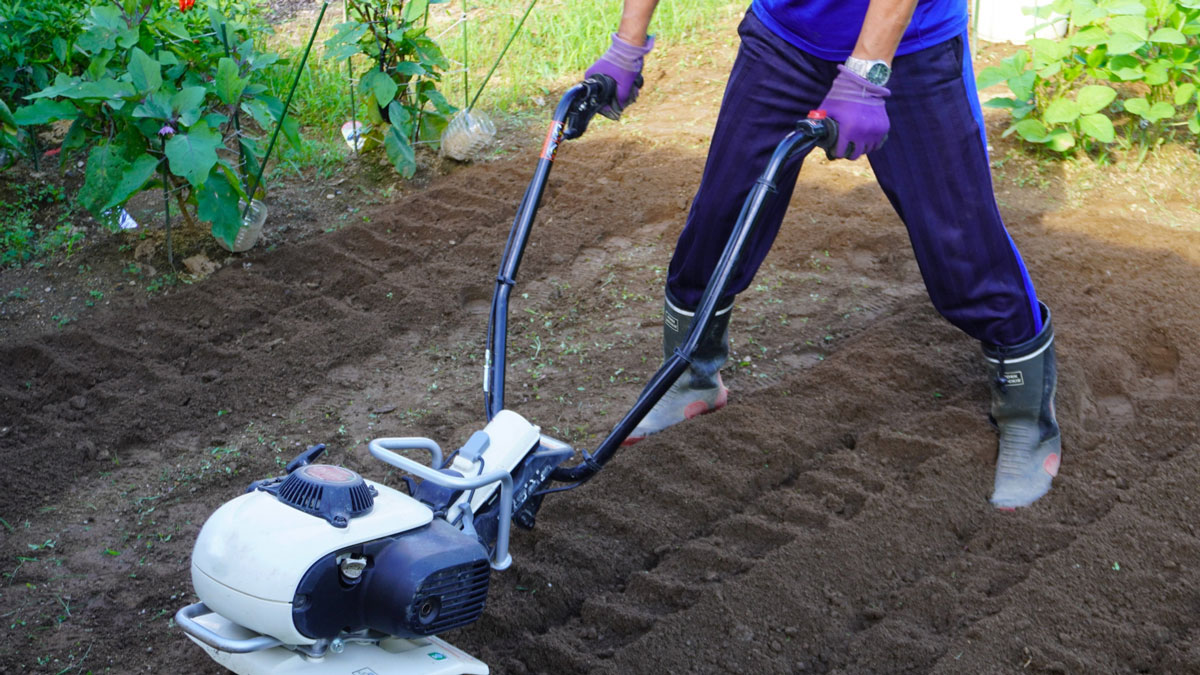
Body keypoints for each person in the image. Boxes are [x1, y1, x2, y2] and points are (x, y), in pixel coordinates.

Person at [585, 0, 1061, 509]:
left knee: (958, 239)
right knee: (723, 212)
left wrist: (865, 75)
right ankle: (691, 376)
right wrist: (626, 45)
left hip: (911, 49)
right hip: (786, 36)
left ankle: (1026, 418)